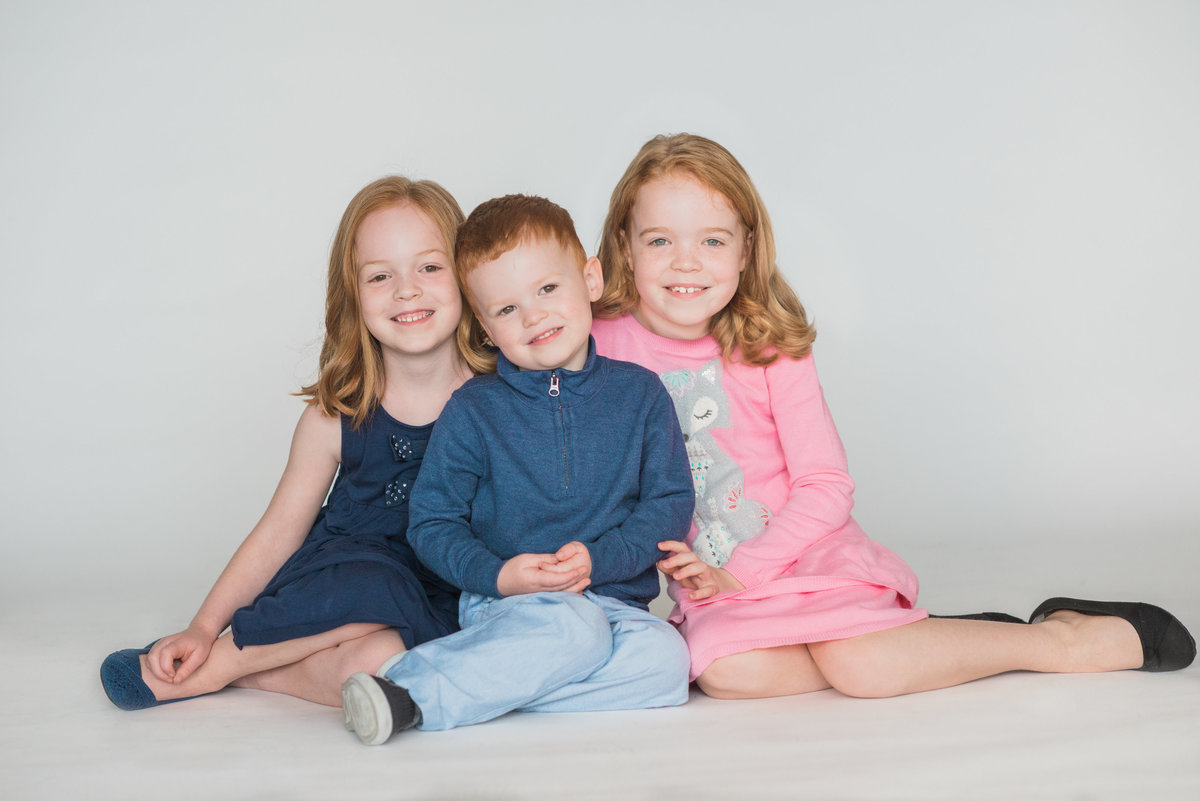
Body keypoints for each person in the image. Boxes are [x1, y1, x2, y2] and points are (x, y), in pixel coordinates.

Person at [590, 133, 1196, 700]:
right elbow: (514, 331)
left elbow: (826, 487)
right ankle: (920, 639)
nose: (686, 263)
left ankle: (1055, 640)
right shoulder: (599, 344)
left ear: (747, 250)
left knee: (862, 669)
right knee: (727, 674)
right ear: (624, 245)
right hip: (710, 580)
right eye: (660, 240)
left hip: (800, 553)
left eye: (713, 240)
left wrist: (745, 572)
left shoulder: (767, 346)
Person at [100, 176, 491, 710]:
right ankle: (215, 659)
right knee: (374, 587)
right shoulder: (338, 414)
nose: (407, 290)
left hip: (443, 588)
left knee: (381, 666)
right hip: (341, 578)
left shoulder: (502, 397)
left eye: (429, 267)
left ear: (467, 277)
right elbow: (279, 530)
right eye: (380, 275)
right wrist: (202, 624)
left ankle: (251, 673)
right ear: (352, 295)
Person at [340, 194, 694, 745]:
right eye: (506, 309)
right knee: (575, 631)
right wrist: (499, 576)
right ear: (484, 326)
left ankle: (487, 688)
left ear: (591, 279)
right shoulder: (474, 409)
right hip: (509, 604)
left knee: (667, 663)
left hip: (613, 598)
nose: (534, 316)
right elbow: (432, 523)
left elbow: (669, 505)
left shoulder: (641, 395)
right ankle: (405, 693)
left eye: (548, 289)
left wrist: (601, 560)